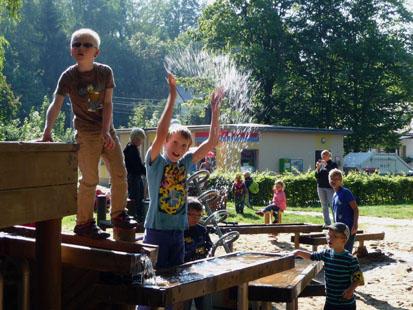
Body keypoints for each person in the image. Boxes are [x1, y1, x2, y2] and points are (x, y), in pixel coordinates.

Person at [38, 28, 136, 238]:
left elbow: (108, 103)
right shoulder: (68, 76)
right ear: (71, 51)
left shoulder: (105, 72)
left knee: (119, 173)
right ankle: (84, 224)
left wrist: (105, 131)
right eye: (76, 45)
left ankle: (119, 214)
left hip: (106, 129)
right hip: (85, 133)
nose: (81, 48)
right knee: (89, 179)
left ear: (96, 52)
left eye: (86, 45)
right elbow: (56, 104)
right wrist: (47, 131)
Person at [143, 73, 223, 270]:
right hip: (156, 230)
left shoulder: (185, 163)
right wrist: (172, 96)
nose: (178, 148)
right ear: (165, 142)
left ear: (188, 149)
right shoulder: (156, 162)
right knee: (153, 282)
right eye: (175, 142)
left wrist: (215, 110)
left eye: (184, 145)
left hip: (178, 232)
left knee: (175, 281)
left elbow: (212, 141)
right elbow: (162, 131)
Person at [293, 222, 364, 310]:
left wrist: (351, 289)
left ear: (344, 240)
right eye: (329, 235)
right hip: (330, 301)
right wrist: (299, 252)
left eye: (334, 236)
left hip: (346, 303)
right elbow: (312, 256)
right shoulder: (326, 253)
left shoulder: (350, 259)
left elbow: (359, 279)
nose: (330, 238)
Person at [183, 197, 213, 310]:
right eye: (192, 215)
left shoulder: (201, 230)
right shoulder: (179, 231)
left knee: (205, 303)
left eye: (199, 215)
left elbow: (209, 247)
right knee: (184, 304)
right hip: (184, 273)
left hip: (200, 271)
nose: (195, 219)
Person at [329, 169, 359, 253]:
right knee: (338, 250)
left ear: (341, 181)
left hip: (348, 228)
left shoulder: (346, 192)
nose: (333, 181)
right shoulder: (335, 195)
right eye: (331, 179)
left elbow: (355, 209)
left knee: (346, 250)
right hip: (338, 228)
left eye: (336, 179)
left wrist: (355, 225)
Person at [123, 127, 147, 222]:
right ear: (136, 140)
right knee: (137, 196)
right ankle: (136, 215)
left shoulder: (127, 148)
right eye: (140, 141)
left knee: (137, 195)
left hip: (132, 175)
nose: (140, 144)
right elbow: (137, 164)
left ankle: (136, 214)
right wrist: (145, 172)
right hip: (134, 176)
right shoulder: (133, 150)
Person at [315, 150, 338, 226]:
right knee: (324, 205)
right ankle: (327, 223)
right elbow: (317, 176)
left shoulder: (333, 164)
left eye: (325, 156)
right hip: (320, 187)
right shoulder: (321, 165)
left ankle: (336, 222)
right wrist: (318, 169)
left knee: (332, 205)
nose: (323, 157)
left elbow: (333, 174)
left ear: (329, 156)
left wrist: (327, 165)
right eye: (322, 156)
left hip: (329, 187)